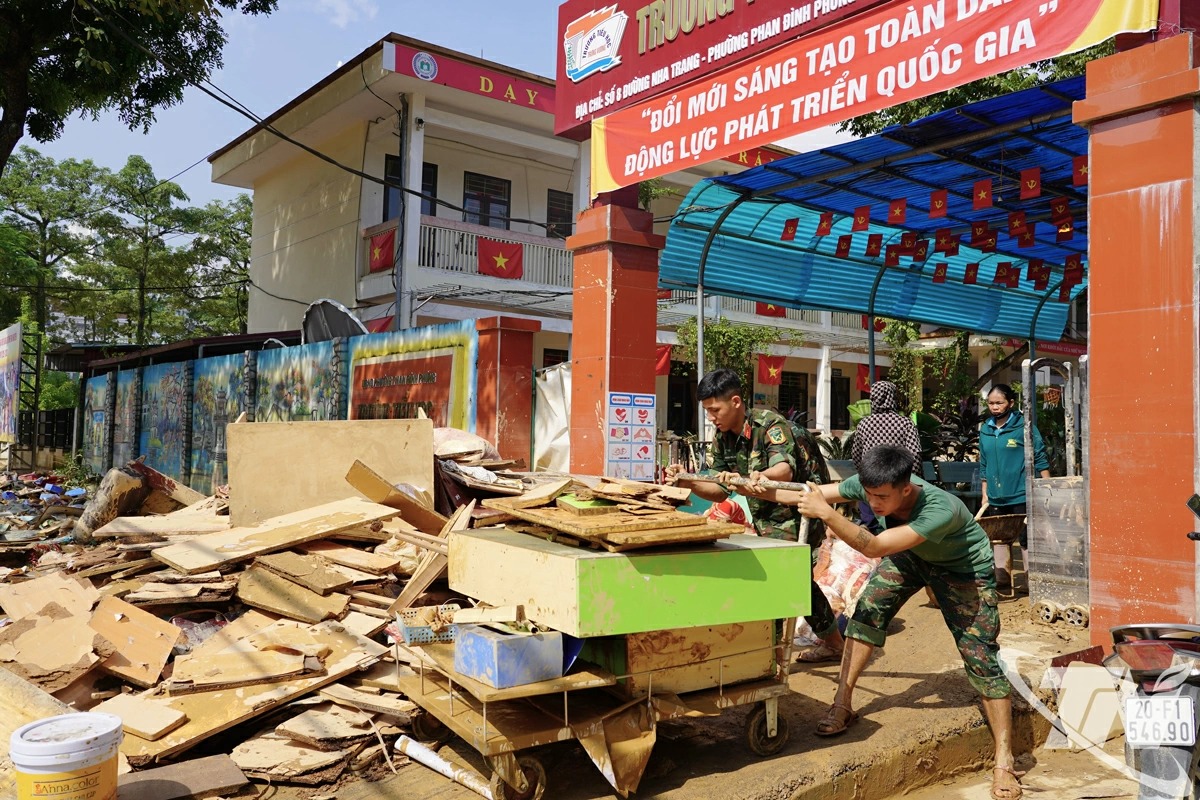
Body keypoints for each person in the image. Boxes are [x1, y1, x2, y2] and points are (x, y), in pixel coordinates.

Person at [774, 445, 1022, 800]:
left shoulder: (940, 508)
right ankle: (842, 704)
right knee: (866, 614)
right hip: (913, 556)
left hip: (962, 568)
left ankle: (1004, 759)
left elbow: (874, 546)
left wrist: (827, 514)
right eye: (869, 495)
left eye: (881, 498)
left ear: (906, 489)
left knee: (980, 655)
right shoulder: (875, 482)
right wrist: (750, 486)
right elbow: (805, 492)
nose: (873, 504)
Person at [666, 368, 845, 663]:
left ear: (735, 402)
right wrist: (687, 480)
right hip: (766, 512)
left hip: (800, 510)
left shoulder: (770, 425)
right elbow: (720, 490)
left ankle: (767, 657)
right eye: (707, 411)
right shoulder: (723, 436)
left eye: (714, 409)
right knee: (797, 580)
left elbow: (783, 471)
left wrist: (756, 475)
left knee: (777, 576)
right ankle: (833, 644)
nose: (711, 417)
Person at [978, 384, 1051, 587]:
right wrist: (985, 493)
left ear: (1011, 402)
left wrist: (1047, 487)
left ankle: (1030, 579)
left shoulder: (1024, 428)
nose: (994, 407)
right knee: (999, 537)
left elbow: (1039, 457)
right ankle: (1002, 576)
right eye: (991, 403)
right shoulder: (985, 429)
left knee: (1026, 537)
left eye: (999, 403)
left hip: (1021, 493)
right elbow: (984, 463)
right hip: (995, 495)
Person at [850, 380, 921, 533]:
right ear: (893, 397)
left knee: (870, 527)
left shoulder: (864, 424)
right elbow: (915, 454)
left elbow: (856, 454)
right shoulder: (905, 423)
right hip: (896, 484)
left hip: (870, 483)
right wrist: (911, 479)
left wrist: (866, 473)